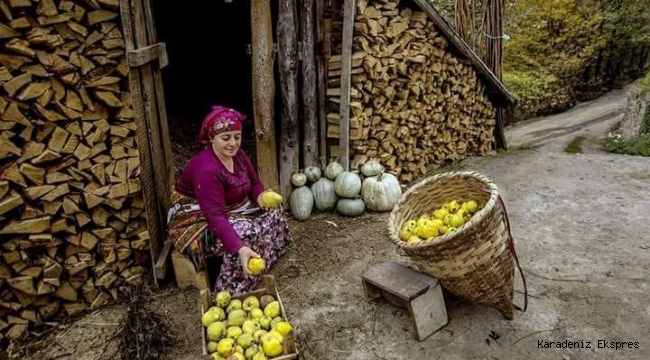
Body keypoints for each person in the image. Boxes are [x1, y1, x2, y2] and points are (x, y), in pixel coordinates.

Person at [167, 105, 293, 294]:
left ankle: (264, 258)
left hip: (232, 205)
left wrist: (260, 196)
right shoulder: (206, 169)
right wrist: (239, 248)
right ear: (211, 138)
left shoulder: (239, 155)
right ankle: (236, 286)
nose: (233, 143)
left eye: (237, 136)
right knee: (246, 233)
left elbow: (255, 183)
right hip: (198, 215)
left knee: (273, 209)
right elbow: (215, 216)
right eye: (226, 138)